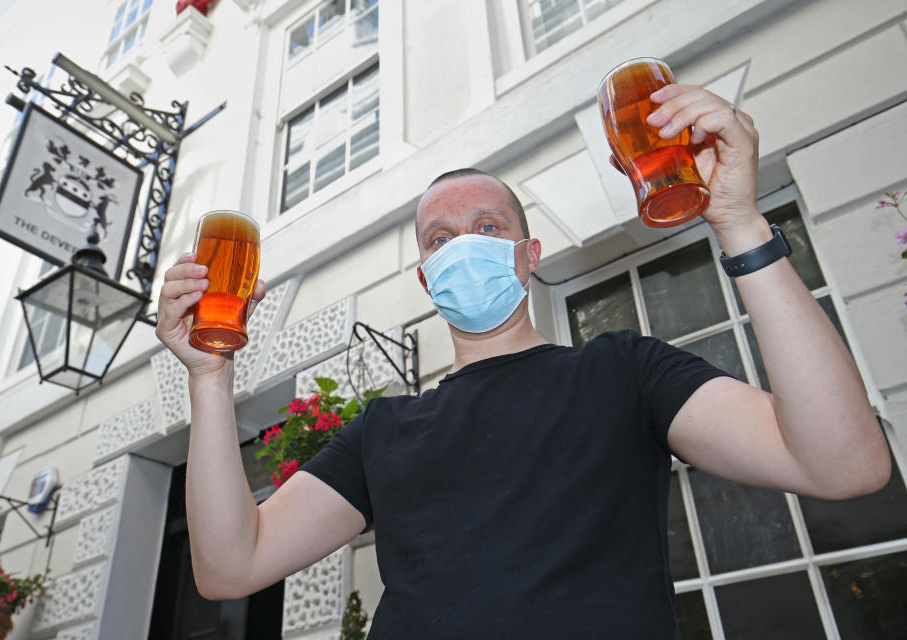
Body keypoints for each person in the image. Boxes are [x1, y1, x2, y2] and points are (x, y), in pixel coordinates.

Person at [156, 84, 890, 638]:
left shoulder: (625, 373)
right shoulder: (382, 432)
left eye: (486, 226)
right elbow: (228, 567)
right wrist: (209, 380)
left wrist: (739, 220)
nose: (462, 245)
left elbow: (843, 464)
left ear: (527, 255)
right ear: (425, 279)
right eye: (440, 239)